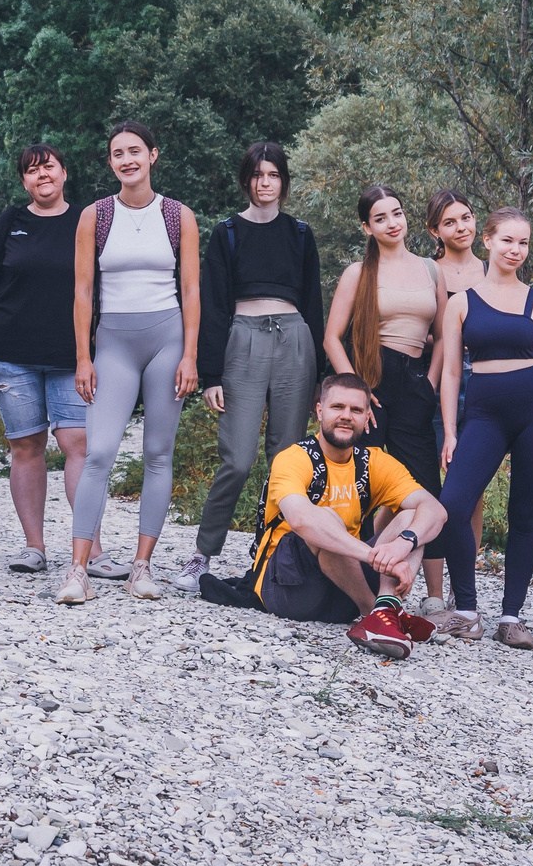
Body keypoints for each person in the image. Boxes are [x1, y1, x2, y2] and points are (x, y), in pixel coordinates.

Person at [204, 374, 449, 660]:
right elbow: (301, 520)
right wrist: (374, 557)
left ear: (367, 416)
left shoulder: (374, 461)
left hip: (345, 583)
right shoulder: (295, 458)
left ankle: (385, 610)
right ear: (319, 410)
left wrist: (402, 544)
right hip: (287, 587)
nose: (346, 416)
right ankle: (376, 612)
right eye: (337, 407)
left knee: (412, 516)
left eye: (356, 410)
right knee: (325, 517)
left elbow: (436, 510)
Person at [58, 122, 201, 604]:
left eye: (135, 151)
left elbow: (192, 290)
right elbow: (80, 292)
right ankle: (78, 570)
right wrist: (83, 356)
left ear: (153, 155)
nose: (127, 160)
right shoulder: (94, 216)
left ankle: (143, 566)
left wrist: (190, 355)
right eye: (118, 153)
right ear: (111, 162)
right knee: (99, 452)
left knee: (158, 454)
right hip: (113, 341)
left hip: (167, 338)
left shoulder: (179, 216)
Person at [185, 142, 326, 594]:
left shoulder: (301, 234)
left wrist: (321, 377)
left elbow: (314, 305)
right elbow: (212, 305)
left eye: (273, 175)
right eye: (257, 175)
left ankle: (274, 558)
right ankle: (202, 554)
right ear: (246, 180)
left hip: (295, 340)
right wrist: (210, 376)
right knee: (239, 458)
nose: (265, 183)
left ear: (283, 181)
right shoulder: (226, 233)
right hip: (242, 339)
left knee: (286, 459)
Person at [434, 208, 533, 648]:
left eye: (522, 243)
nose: (515, 250)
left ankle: (511, 617)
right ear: (488, 243)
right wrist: (451, 431)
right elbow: (452, 374)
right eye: (507, 241)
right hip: (483, 413)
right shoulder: (461, 302)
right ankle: (465, 611)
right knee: (453, 504)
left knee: (526, 513)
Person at [0, 143, 89, 574]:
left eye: (49, 168)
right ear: (24, 180)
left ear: (64, 173)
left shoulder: (87, 220)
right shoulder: (10, 221)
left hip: (71, 353)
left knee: (77, 444)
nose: (42, 176)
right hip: (10, 353)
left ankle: (88, 548)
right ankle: (34, 547)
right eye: (32, 171)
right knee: (26, 445)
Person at [324, 185, 444, 515]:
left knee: (425, 491)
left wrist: (430, 385)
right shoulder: (358, 273)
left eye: (397, 213)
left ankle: (427, 567)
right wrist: (356, 390)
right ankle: (357, 565)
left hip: (416, 381)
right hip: (370, 380)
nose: (392, 223)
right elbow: (332, 337)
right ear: (367, 227)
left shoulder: (432, 270)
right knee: (359, 490)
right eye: (380, 218)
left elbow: (444, 336)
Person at [417, 190, 488, 614]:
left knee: (471, 489)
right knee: (434, 486)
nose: (461, 227)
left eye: (466, 217)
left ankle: (466, 584)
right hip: (440, 380)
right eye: (449, 222)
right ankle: (434, 593)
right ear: (434, 231)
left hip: (486, 384)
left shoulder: (494, 267)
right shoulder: (428, 271)